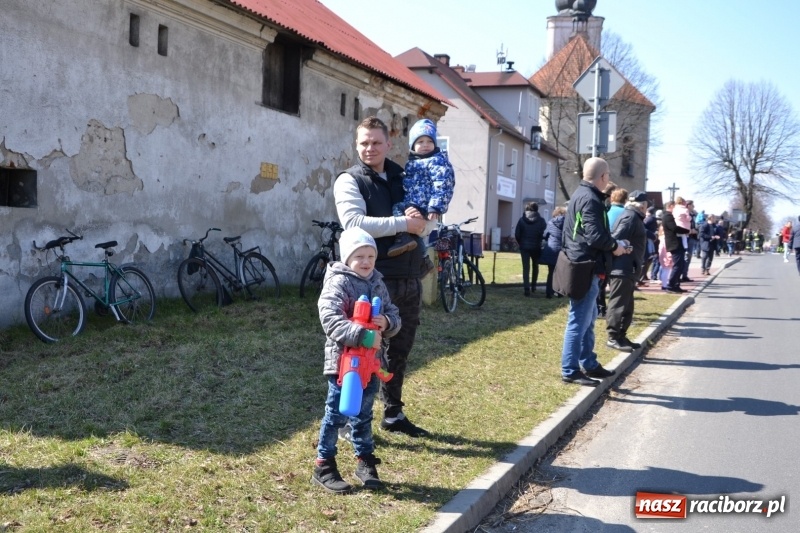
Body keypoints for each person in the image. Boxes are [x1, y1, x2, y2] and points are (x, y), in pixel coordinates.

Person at [334, 116, 430, 437]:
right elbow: (354, 223)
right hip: (370, 283)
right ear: (356, 145)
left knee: (400, 350)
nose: (370, 148)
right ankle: (352, 421)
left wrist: (427, 219)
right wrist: (404, 223)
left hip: (409, 277)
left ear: (389, 144)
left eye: (376, 142)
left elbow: (424, 215)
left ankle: (393, 413)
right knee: (363, 351)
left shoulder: (403, 176)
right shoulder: (350, 180)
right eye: (364, 143)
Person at [313, 227, 402, 494]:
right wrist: (362, 336)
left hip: (371, 365)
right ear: (347, 258)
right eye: (359, 256)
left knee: (363, 415)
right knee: (337, 414)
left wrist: (387, 322)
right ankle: (324, 465)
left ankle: (365, 461)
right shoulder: (339, 281)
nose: (365, 262)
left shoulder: (377, 281)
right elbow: (329, 318)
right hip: (345, 364)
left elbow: (393, 312)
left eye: (370, 256)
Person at [560, 157, 631, 387]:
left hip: (584, 264)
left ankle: (589, 363)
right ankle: (570, 370)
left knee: (588, 320)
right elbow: (596, 237)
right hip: (585, 267)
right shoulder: (590, 199)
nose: (609, 179)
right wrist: (616, 247)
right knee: (579, 321)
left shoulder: (580, 195)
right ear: (602, 177)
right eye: (608, 175)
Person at [388, 118, 455, 259]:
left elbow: (443, 184)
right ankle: (407, 242)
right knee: (397, 209)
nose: (426, 145)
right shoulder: (413, 162)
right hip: (412, 203)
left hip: (426, 205)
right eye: (420, 142)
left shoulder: (438, 161)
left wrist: (435, 207)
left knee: (411, 223)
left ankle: (407, 241)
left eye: (430, 141)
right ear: (413, 145)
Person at [606, 190, 648, 352]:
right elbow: (614, 238)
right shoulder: (630, 217)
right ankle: (613, 337)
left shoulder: (632, 216)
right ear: (643, 206)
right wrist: (624, 246)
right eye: (646, 205)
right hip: (622, 268)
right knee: (618, 304)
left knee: (627, 306)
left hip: (628, 268)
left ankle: (621, 336)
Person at [515, 201, 547, 296]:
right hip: (536, 246)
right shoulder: (541, 220)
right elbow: (543, 232)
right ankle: (534, 286)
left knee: (526, 268)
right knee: (535, 266)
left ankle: (526, 289)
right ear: (537, 209)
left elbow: (517, 234)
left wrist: (521, 242)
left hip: (524, 247)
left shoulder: (521, 220)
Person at [661, 200, 690, 293]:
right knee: (677, 265)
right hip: (674, 243)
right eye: (675, 207)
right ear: (671, 206)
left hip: (676, 243)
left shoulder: (669, 216)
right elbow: (674, 228)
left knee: (681, 265)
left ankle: (676, 285)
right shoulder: (668, 216)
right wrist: (687, 231)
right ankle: (670, 285)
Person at [540, 206, 566, 299]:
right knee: (560, 273)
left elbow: (547, 235)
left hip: (550, 248)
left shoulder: (550, 222)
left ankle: (548, 292)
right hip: (561, 250)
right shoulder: (566, 223)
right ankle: (559, 292)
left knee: (550, 272)